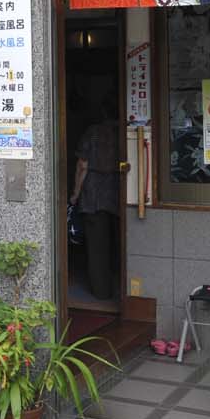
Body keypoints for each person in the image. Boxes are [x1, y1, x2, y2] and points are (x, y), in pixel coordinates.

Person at [70, 98, 120, 301]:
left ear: (102, 111)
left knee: (97, 245)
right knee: (119, 242)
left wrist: (75, 193)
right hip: (118, 191)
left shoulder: (93, 132)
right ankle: (122, 288)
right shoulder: (123, 131)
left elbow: (82, 164)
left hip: (94, 194)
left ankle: (102, 291)